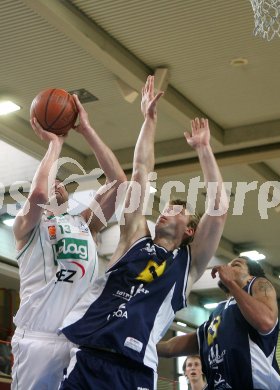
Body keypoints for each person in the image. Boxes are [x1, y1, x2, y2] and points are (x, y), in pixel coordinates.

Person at [59, 75, 228, 390]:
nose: (165, 210)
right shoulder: (133, 237)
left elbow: (218, 211)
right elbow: (140, 172)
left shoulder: (189, 265)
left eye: (177, 210)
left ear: (190, 229)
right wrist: (148, 119)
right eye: (164, 207)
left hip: (135, 369)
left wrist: (204, 149)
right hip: (89, 354)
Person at [11, 94, 126, 390]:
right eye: (50, 181)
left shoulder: (85, 222)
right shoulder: (27, 227)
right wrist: (55, 144)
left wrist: (86, 130)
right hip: (37, 339)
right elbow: (38, 195)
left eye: (59, 181)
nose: (55, 184)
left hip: (78, 340)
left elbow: (119, 183)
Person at [157, 256, 280, 390]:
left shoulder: (258, 284)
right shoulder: (217, 314)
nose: (227, 268)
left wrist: (231, 282)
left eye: (236, 265)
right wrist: (143, 348)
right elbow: (170, 348)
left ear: (250, 277)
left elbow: (265, 322)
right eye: (228, 265)